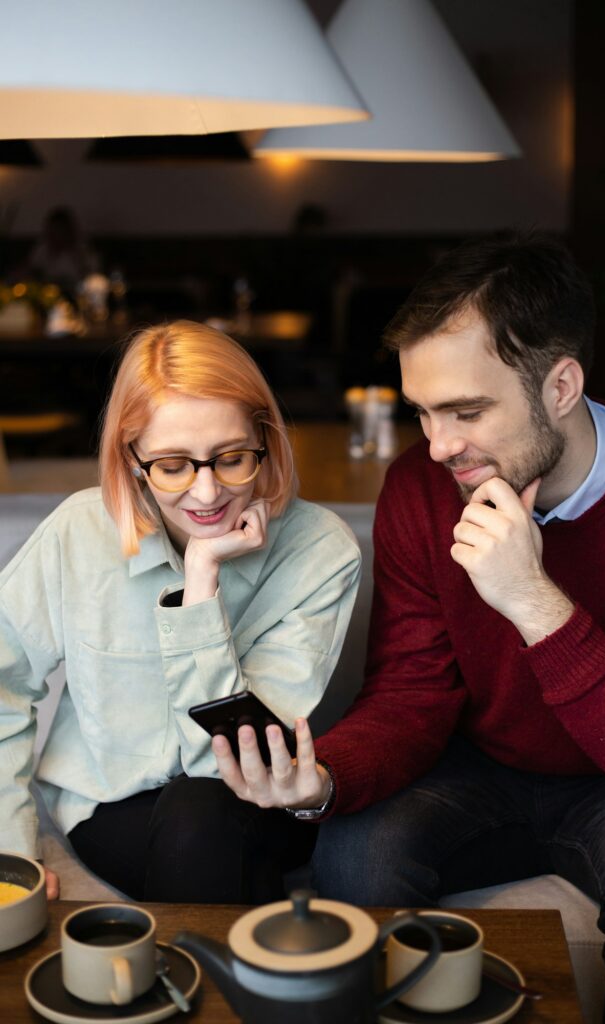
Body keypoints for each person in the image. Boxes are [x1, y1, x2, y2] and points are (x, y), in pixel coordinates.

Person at [210, 235, 605, 1023]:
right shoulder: (420, 488)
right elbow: (412, 690)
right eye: (423, 412)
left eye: (467, 411)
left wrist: (530, 598)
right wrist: (325, 778)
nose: (437, 447)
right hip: (477, 764)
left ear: (561, 383)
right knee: (355, 852)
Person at [0, 320, 360, 904]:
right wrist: (9, 857)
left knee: (203, 813)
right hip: (111, 807)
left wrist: (201, 580)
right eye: (173, 466)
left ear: (264, 439)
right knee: (210, 841)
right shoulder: (78, 533)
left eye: (233, 457)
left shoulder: (321, 550)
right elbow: (2, 686)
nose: (207, 493)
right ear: (131, 459)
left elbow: (232, 760)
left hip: (255, 799)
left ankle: (173, 986)